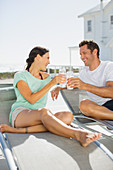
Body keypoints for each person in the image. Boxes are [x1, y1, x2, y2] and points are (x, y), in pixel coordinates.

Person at [0, 46, 101, 147]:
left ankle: (19, 131)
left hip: (41, 116)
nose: (49, 62)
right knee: (44, 111)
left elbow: (61, 84)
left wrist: (58, 88)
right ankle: (78, 134)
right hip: (21, 114)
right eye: (47, 58)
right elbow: (31, 99)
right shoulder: (21, 75)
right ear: (38, 57)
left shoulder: (47, 77)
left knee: (68, 116)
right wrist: (52, 83)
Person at [52, 40, 113, 120]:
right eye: (80, 54)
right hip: (97, 108)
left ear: (94, 52)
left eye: (84, 53)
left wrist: (84, 86)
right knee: (84, 105)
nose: (81, 57)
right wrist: (59, 87)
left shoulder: (108, 66)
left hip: (111, 103)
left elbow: (111, 92)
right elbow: (76, 84)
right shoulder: (84, 72)